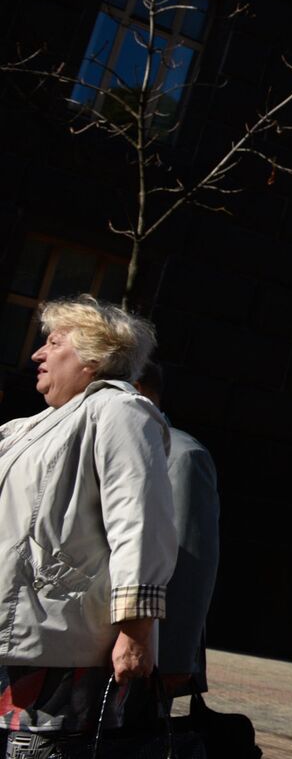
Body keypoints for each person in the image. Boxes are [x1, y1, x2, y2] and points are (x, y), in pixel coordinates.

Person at [0, 296, 177, 757]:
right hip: (19, 639)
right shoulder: (31, 428)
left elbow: (139, 521)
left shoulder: (120, 411)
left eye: (53, 343)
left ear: (92, 358)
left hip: (61, 647)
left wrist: (137, 630)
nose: (37, 354)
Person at [134, 361, 221, 702]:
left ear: (136, 389)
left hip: (140, 658)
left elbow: (190, 567)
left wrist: (171, 660)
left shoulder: (181, 457)